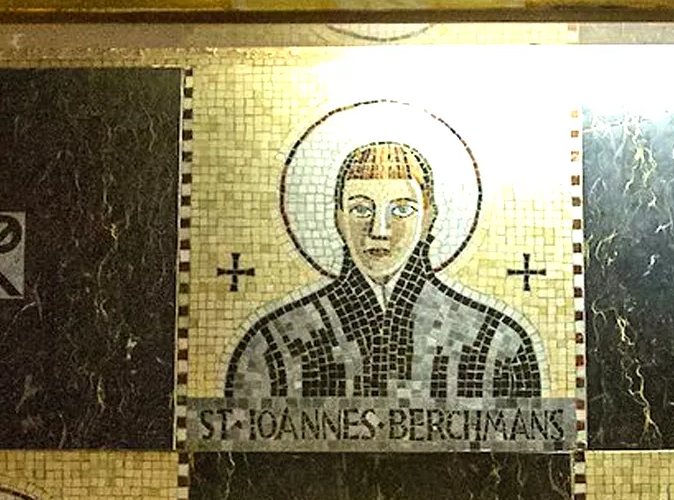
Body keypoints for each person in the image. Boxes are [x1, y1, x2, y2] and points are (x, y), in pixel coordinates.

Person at [225, 140, 541, 399]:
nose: (379, 230)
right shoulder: (274, 344)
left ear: (428, 217)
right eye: (361, 209)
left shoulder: (497, 342)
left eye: (402, 210)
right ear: (339, 218)